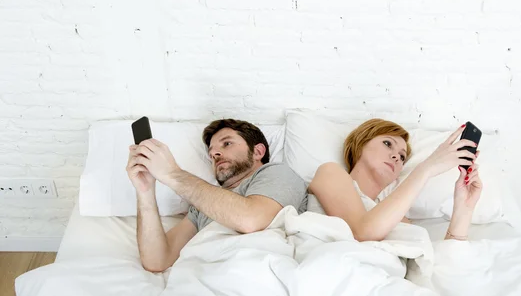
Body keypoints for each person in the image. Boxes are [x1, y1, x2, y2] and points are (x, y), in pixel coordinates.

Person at [126, 119, 308, 272]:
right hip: (201, 282)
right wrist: (145, 191)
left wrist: (173, 174)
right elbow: (158, 261)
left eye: (227, 143)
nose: (214, 153)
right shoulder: (201, 204)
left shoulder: (276, 173)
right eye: (211, 153)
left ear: (258, 152)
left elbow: (251, 220)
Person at [309, 119, 481, 242]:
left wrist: (463, 209)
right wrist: (426, 168)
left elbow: (432, 270)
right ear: (360, 144)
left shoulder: (400, 219)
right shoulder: (331, 172)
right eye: (387, 143)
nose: (396, 157)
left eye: (402, 156)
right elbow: (362, 232)